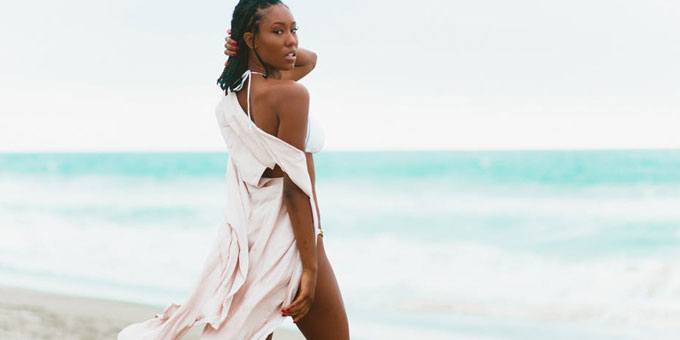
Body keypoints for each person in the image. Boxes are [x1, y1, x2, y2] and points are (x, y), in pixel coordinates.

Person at [117, 1, 349, 339]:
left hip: (252, 235)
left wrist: (242, 51)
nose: (291, 41)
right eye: (277, 31)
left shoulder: (238, 93)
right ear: (251, 39)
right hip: (292, 236)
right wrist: (310, 267)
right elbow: (295, 187)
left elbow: (309, 59)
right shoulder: (291, 95)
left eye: (294, 30)